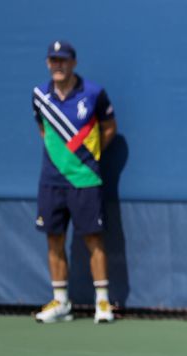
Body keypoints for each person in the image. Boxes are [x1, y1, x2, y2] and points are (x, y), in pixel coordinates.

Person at [32, 40, 117, 324]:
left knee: (93, 238)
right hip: (51, 180)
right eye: (53, 60)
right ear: (48, 63)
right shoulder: (39, 96)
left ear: (73, 63)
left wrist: (86, 157)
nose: (58, 65)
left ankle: (102, 302)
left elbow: (109, 129)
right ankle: (61, 302)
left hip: (86, 179)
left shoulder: (94, 93)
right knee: (53, 239)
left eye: (63, 60)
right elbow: (43, 130)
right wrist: (62, 159)